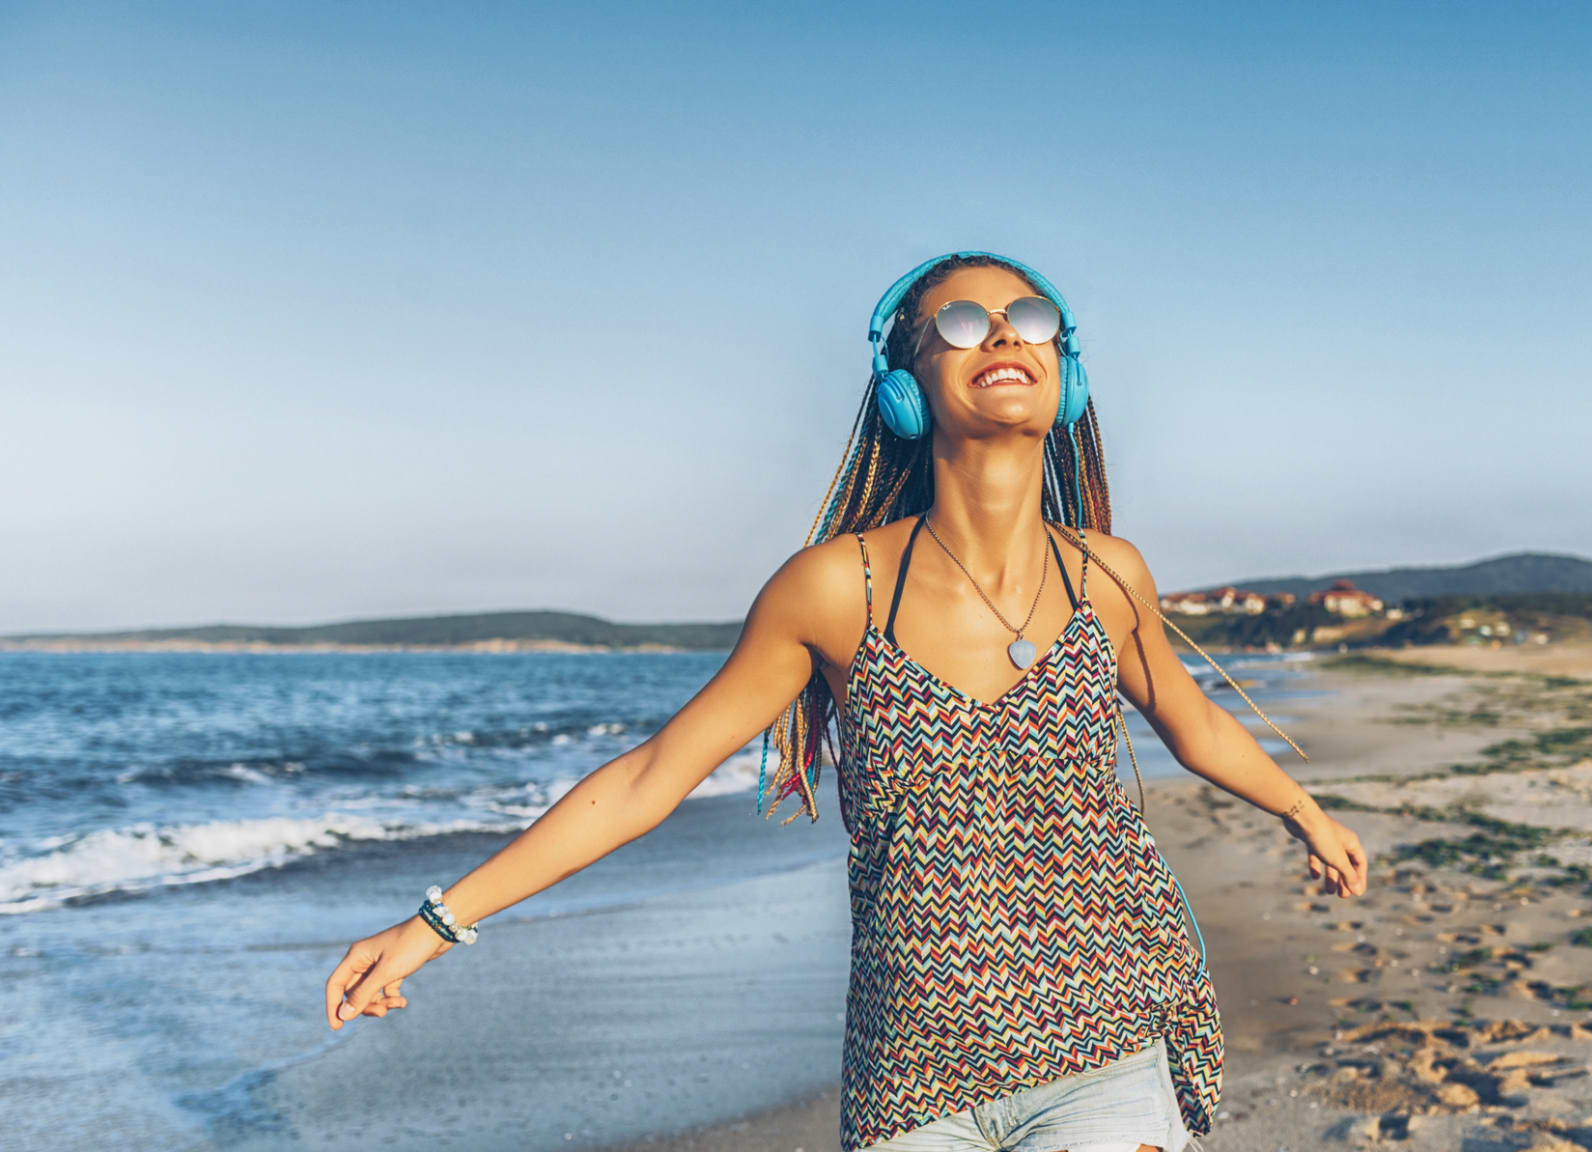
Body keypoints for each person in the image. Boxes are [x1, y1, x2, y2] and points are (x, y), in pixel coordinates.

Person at [323, 251, 1371, 1152]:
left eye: (1032, 318)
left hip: (1104, 1036)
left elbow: (1189, 724)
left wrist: (1306, 814)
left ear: (1067, 370)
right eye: (962, 321)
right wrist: (432, 924)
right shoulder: (833, 590)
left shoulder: (1108, 575)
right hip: (910, 1072)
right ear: (903, 383)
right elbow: (651, 779)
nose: (1004, 332)